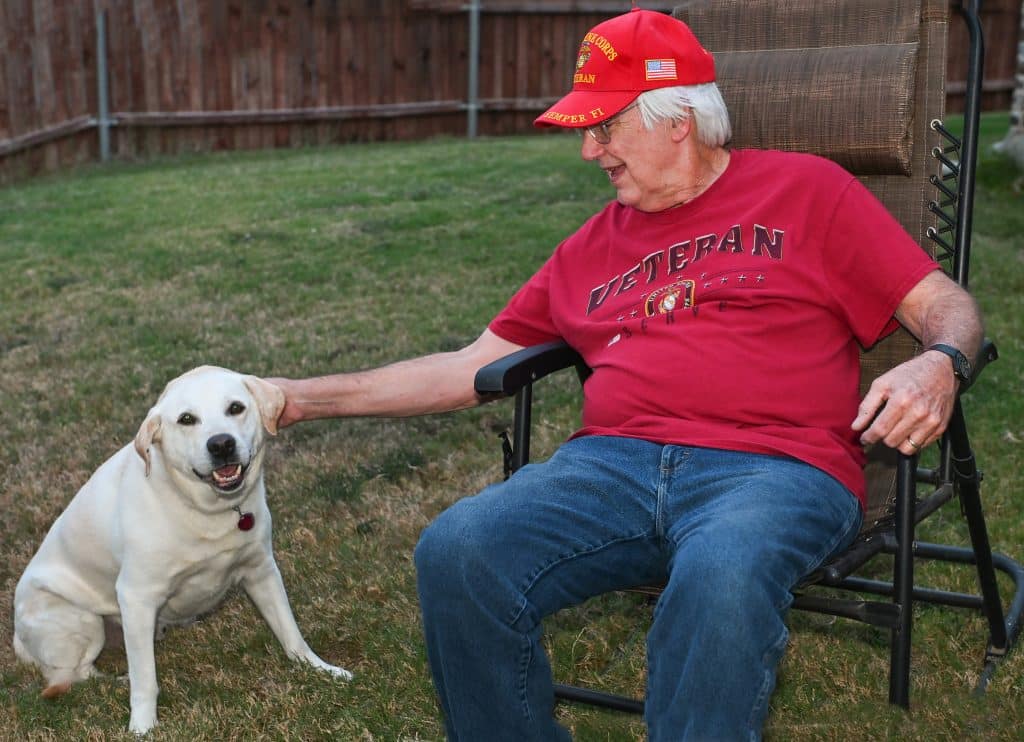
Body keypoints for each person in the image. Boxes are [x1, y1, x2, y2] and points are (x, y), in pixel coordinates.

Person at [268, 7, 983, 741]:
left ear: (678, 120)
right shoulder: (589, 247)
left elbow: (943, 304)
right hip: (611, 468)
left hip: (776, 470)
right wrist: (299, 399)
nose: (589, 150)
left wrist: (940, 362)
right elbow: (467, 367)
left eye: (604, 127)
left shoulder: (810, 192)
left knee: (722, 574)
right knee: (458, 551)